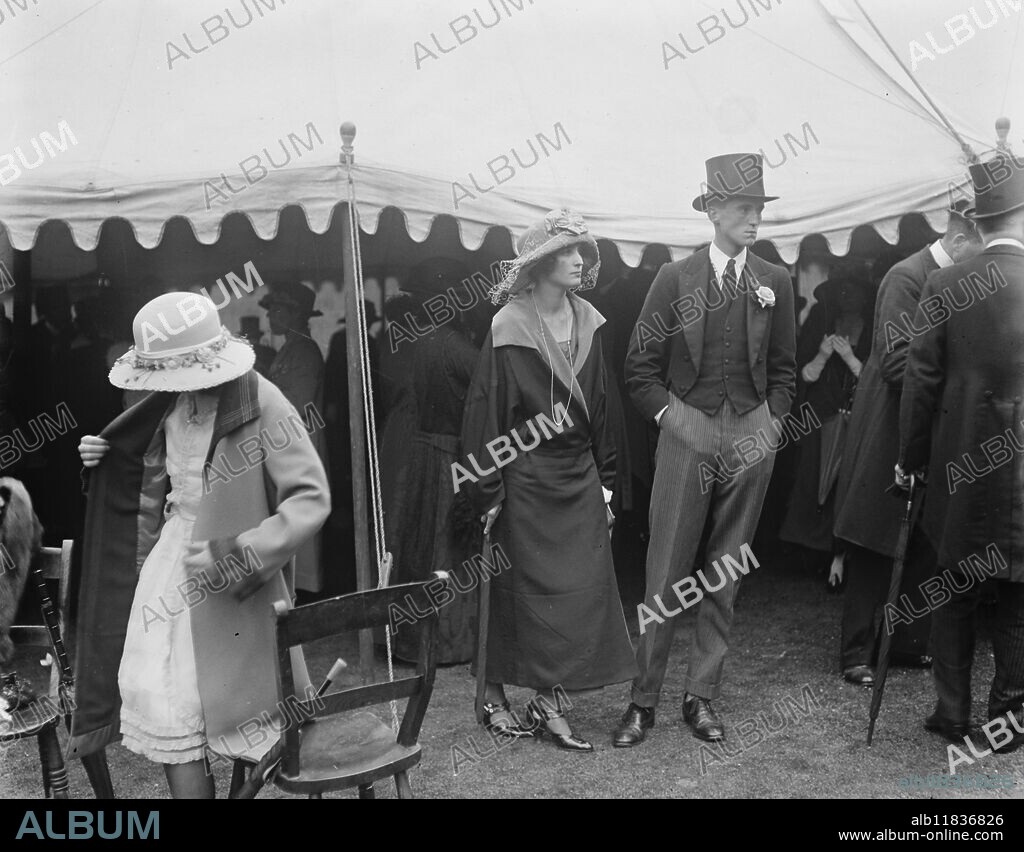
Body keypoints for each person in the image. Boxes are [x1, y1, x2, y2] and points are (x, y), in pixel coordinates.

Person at [69, 292, 329, 798]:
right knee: (168, 703)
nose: (166, 382)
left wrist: (239, 553)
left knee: (223, 704)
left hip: (233, 575)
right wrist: (106, 456)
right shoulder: (166, 399)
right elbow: (145, 472)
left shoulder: (262, 400)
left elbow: (310, 499)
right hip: (172, 561)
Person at [616, 153, 796, 746]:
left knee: (727, 568)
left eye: (759, 209)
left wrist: (769, 426)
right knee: (664, 569)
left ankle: (701, 697)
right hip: (687, 429)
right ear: (714, 211)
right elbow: (639, 366)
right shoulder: (675, 279)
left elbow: (785, 371)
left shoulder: (775, 280)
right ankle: (644, 701)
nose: (754, 219)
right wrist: (673, 418)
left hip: (751, 430)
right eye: (744, 208)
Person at [461, 209, 637, 751]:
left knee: (577, 596)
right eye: (567, 252)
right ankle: (493, 698)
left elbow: (604, 406)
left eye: (582, 250)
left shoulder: (592, 320)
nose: (580, 260)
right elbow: (485, 412)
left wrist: (607, 483)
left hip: (579, 479)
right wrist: (488, 489)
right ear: (539, 265)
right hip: (524, 479)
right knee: (517, 593)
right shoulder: (508, 323)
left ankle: (549, 700)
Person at [898, 154, 1024, 751]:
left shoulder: (945, 283)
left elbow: (921, 382)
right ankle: (1009, 720)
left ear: (980, 222)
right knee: (1019, 595)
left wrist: (910, 460)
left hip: (959, 467)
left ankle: (953, 714)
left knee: (952, 591)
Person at [834, 202, 983, 686]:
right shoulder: (906, 277)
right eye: (977, 253)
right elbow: (898, 361)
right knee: (874, 540)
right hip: (889, 429)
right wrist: (959, 386)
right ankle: (856, 651)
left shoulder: (955, 279)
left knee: (921, 540)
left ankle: (901, 643)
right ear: (959, 242)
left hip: (927, 428)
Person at [391, 258, 480, 664]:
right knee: (449, 546)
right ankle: (448, 641)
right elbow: (486, 397)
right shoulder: (457, 348)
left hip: (422, 456)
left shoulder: (417, 342)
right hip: (449, 456)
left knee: (420, 545)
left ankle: (414, 639)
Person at [779, 272, 873, 576]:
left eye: (853, 291)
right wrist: (822, 355)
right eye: (842, 291)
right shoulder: (820, 320)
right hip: (817, 421)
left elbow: (875, 381)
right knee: (809, 481)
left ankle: (839, 557)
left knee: (844, 485)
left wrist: (849, 358)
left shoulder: (872, 329)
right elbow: (803, 376)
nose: (847, 297)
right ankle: (805, 554)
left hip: (856, 421)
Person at [260, 281, 327, 594]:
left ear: (296, 315)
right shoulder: (289, 348)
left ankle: (303, 584)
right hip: (285, 436)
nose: (271, 316)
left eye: (278, 310)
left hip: (299, 438)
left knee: (298, 503)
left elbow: (297, 404)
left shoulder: (304, 351)